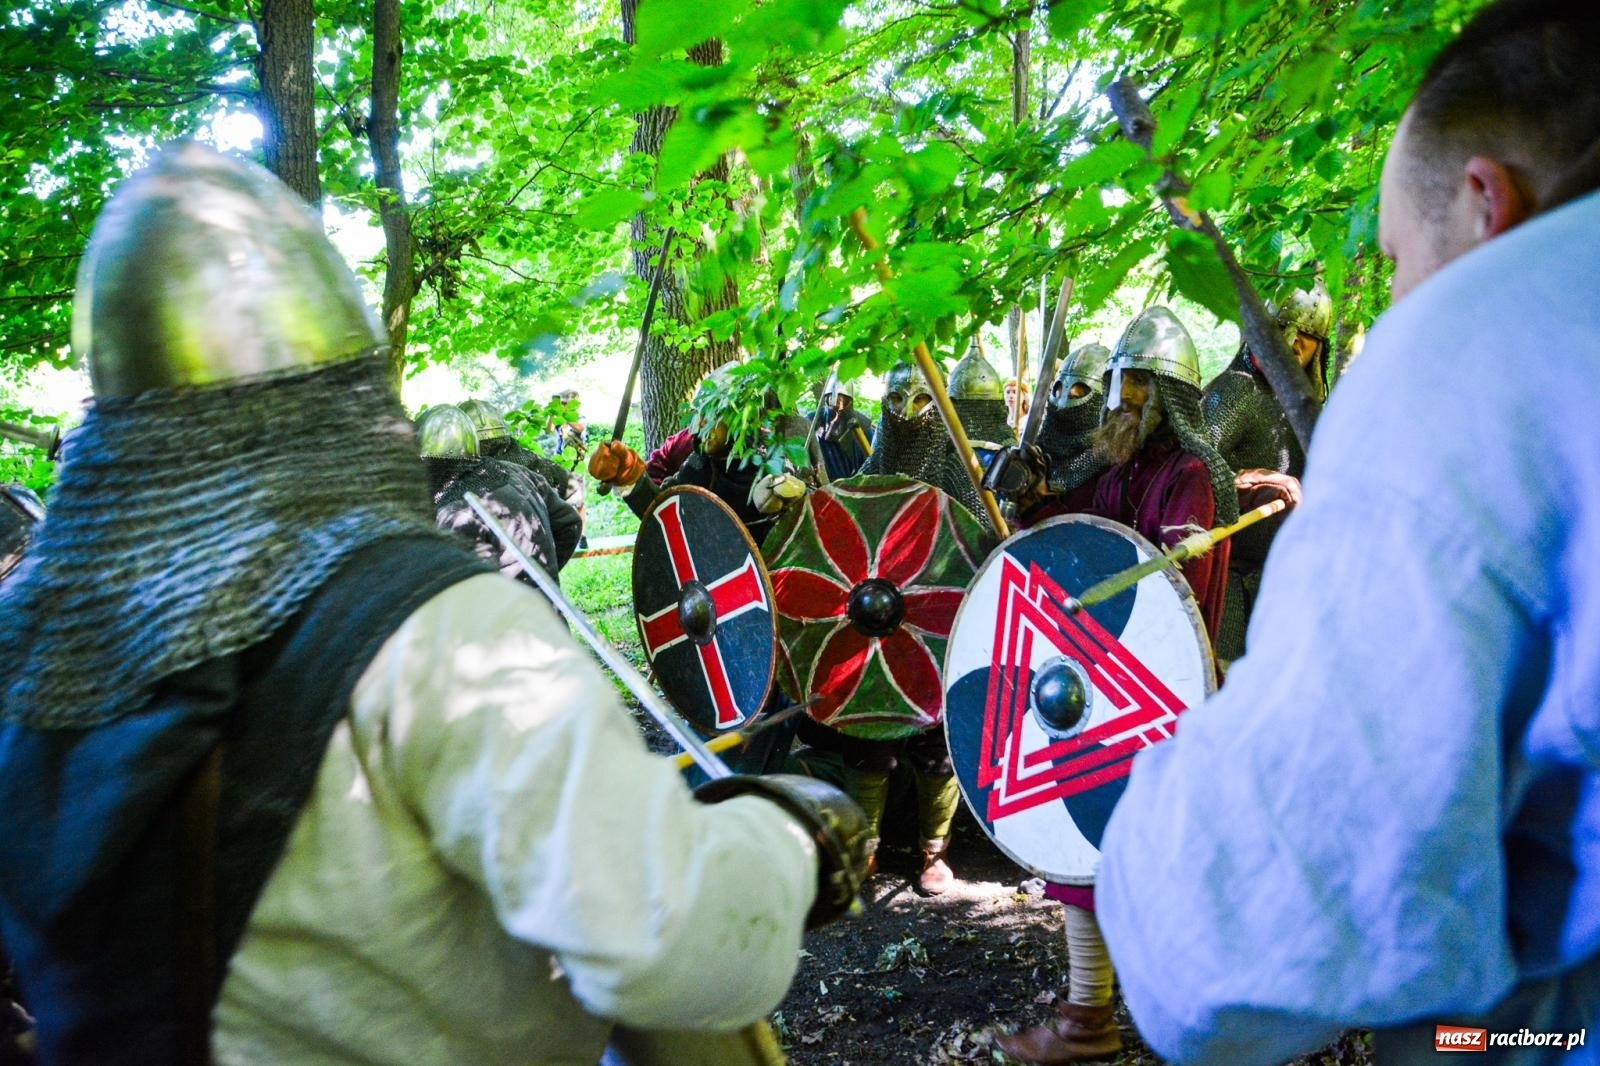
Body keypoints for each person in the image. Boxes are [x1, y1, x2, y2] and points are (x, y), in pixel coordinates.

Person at [0, 143, 868, 1066]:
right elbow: (660, 941)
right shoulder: (431, 632)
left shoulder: (33, 648)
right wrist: (782, 839)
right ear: (344, 393)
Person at [1096, 2, 1600, 1063]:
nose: (1400, 298)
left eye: (1395, 257)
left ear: (1481, 203)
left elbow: (1232, 941)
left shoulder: (1474, 348)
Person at [998, 307, 1237, 1064]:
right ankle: (1096, 1016)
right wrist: (1033, 500)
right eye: (1117, 383)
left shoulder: (1189, 475)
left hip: (1163, 694)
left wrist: (1165, 557)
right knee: (1097, 855)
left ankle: (1108, 1022)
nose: (1118, 397)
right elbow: (1075, 530)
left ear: (1167, 392)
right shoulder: (1121, 468)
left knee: (1121, 849)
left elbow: (1171, 593)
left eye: (1136, 383)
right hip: (1107, 686)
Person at [1201, 282, 1332, 661]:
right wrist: (1254, 480)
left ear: (1319, 349)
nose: (1293, 343)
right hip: (1228, 581)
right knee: (1221, 678)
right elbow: (1192, 472)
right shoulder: (1235, 392)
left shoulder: (1306, 413)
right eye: (1283, 330)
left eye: (1306, 337)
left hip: (1281, 580)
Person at [416, 404, 580, 580]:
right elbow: (569, 522)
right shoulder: (518, 473)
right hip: (545, 606)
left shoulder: (455, 515)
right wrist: (545, 577)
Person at [812, 372, 873, 480]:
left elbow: (872, 463)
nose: (837, 405)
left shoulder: (863, 426)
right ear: (826, 398)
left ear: (849, 401)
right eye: (832, 399)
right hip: (822, 486)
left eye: (842, 400)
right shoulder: (813, 421)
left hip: (856, 486)